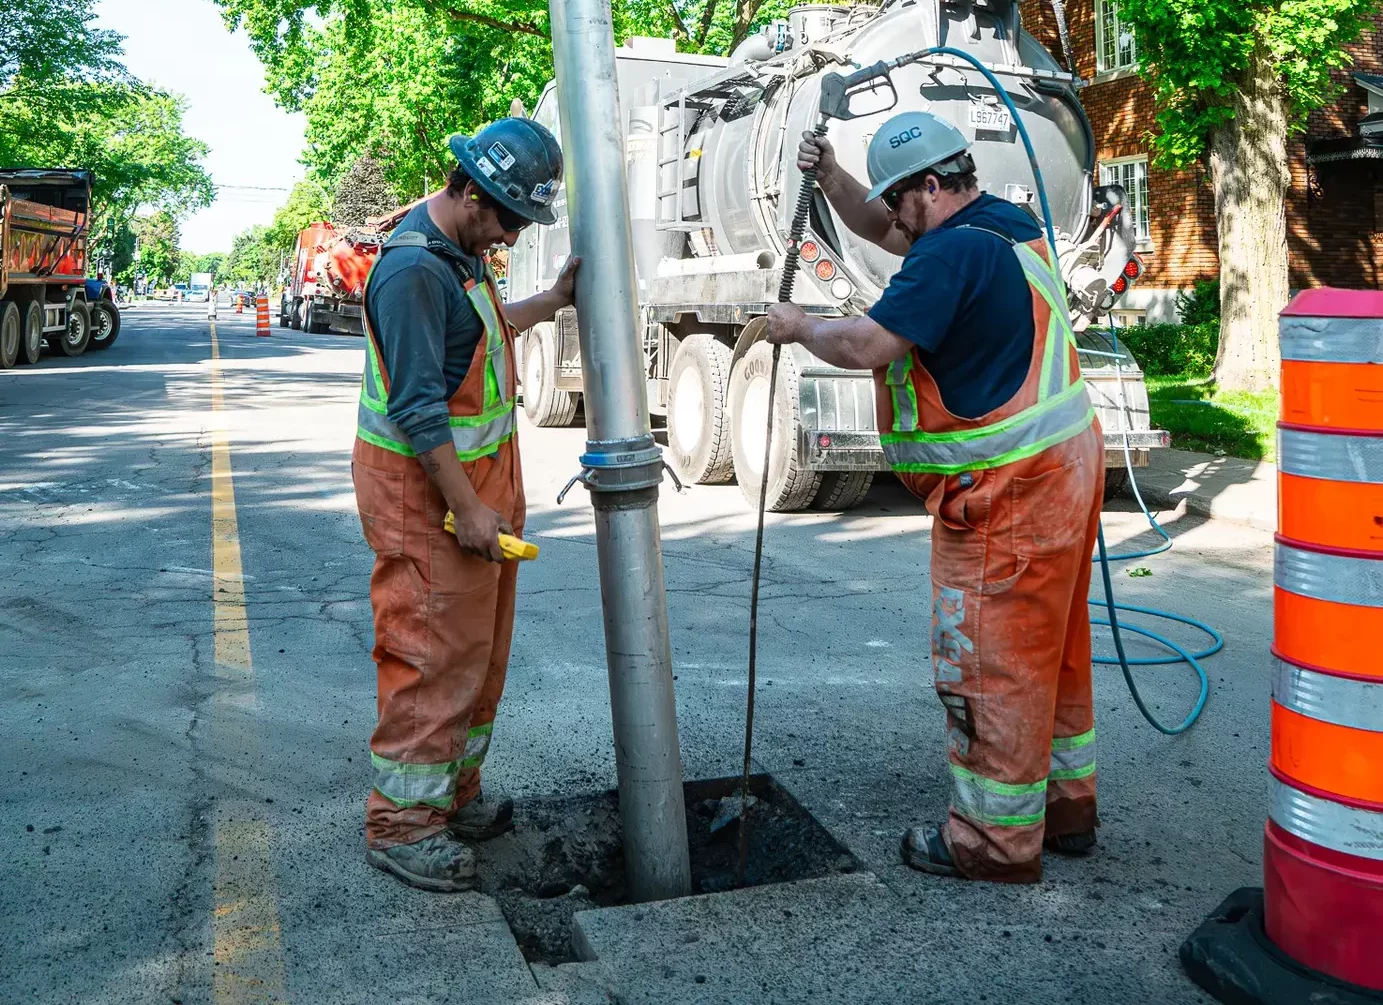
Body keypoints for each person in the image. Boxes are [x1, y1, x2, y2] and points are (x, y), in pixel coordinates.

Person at [765, 111, 1102, 884]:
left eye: (897, 198)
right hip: (1062, 466)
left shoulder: (947, 255)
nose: (890, 216)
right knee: (1053, 653)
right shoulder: (1001, 226)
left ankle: (991, 839)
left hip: (1004, 487)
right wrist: (829, 176)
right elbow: (883, 231)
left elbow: (864, 345)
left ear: (928, 186)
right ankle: (1064, 808)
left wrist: (799, 324)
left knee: (991, 662)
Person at [353, 117, 578, 892]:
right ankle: (403, 824)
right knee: (428, 657)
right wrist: (469, 509)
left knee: (474, 659)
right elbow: (419, 407)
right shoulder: (415, 271)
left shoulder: (460, 255)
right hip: (429, 503)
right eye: (509, 216)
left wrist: (548, 300)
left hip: (472, 499)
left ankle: (451, 794)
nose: (511, 233)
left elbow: (479, 341)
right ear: (469, 191)